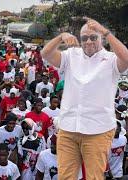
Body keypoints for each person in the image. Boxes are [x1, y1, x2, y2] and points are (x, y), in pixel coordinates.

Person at [41, 17, 128, 179]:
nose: (88, 42)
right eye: (84, 38)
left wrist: (106, 32)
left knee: (94, 177)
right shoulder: (71, 55)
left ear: (101, 39)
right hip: (68, 127)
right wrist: (61, 37)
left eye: (93, 37)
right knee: (65, 176)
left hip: (98, 130)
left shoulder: (110, 59)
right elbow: (45, 53)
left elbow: (127, 58)